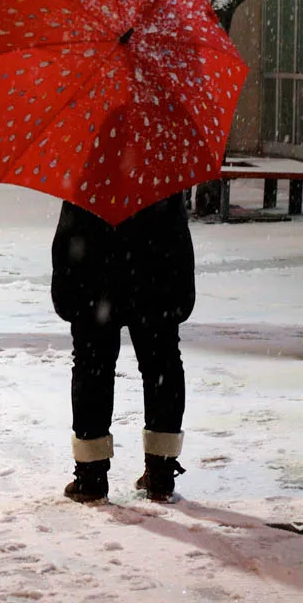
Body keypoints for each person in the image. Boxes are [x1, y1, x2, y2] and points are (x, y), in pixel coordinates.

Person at [51, 192, 195, 504]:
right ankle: (160, 471)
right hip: (157, 270)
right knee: (162, 363)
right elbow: (177, 235)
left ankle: (90, 475)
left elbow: (68, 233)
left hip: (93, 269)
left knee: (93, 365)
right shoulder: (161, 158)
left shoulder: (86, 157)